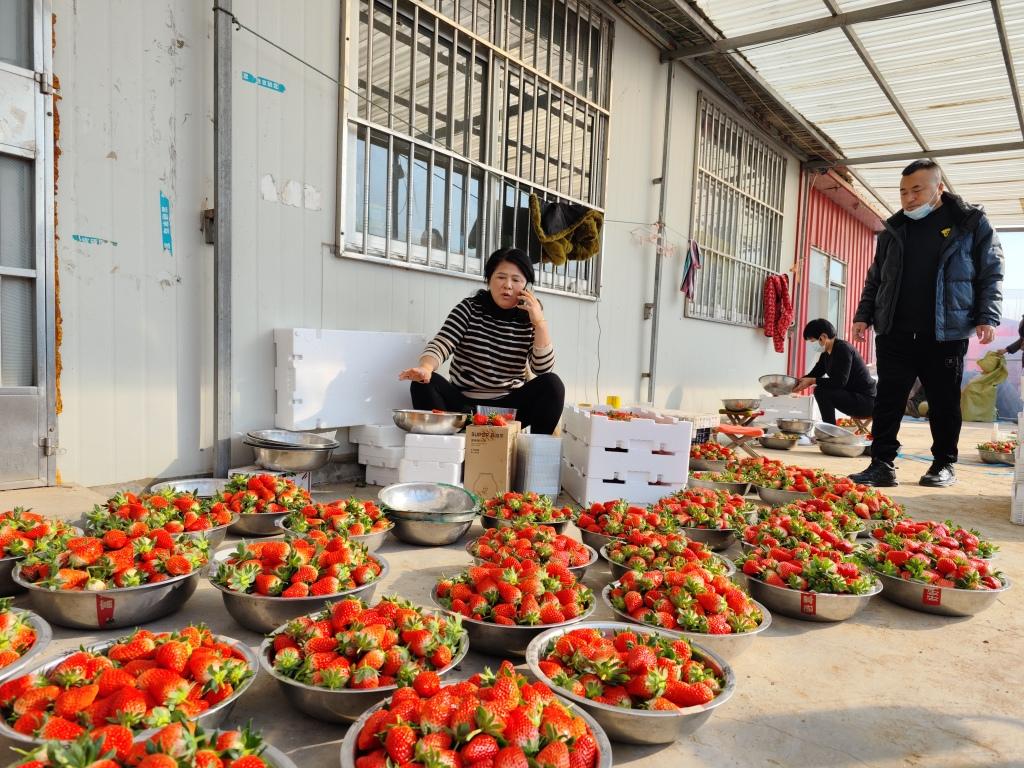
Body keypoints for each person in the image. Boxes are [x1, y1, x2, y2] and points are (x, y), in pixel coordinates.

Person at [849, 159, 1003, 488]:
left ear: (939, 188)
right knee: (888, 399)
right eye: (903, 192)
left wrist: (987, 316)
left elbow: (991, 271)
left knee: (944, 401)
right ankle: (882, 463)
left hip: (944, 331)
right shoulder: (893, 230)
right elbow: (875, 278)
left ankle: (943, 463)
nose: (909, 198)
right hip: (895, 330)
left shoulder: (969, 223)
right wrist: (863, 315)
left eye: (917, 189)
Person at [398, 247, 565, 434]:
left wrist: (540, 324)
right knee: (423, 384)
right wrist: (426, 368)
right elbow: (442, 343)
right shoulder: (469, 309)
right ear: (489, 280)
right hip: (464, 408)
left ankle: (535, 454)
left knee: (552, 385)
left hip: (508, 412)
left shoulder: (529, 319)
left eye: (516, 280)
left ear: (526, 286)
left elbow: (542, 369)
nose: (507, 285)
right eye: (501, 277)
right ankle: (447, 451)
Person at [793, 319, 875, 425]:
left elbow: (839, 382)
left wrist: (812, 381)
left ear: (823, 337)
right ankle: (829, 429)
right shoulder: (826, 354)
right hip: (852, 397)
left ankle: (829, 430)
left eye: (812, 341)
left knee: (821, 391)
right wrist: (794, 384)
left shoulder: (843, 349)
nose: (812, 345)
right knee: (820, 389)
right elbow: (813, 375)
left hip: (866, 402)